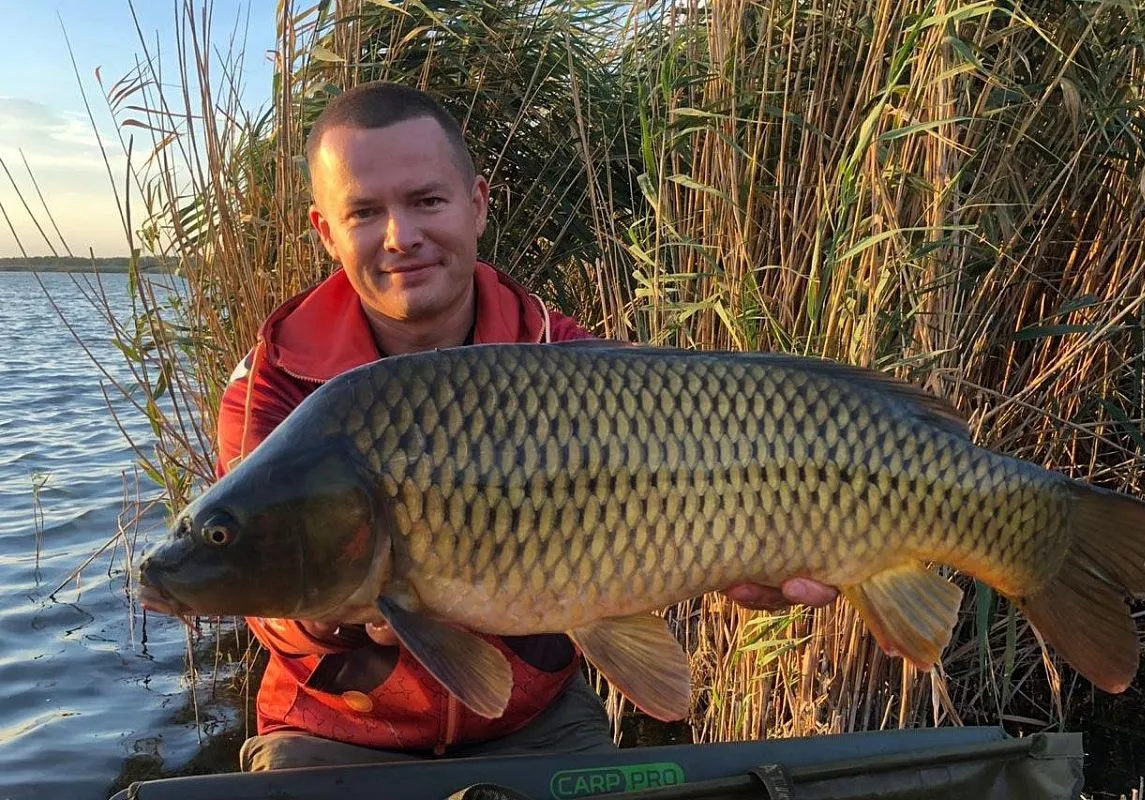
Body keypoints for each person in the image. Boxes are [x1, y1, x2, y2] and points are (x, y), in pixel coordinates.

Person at [212, 80, 839, 772]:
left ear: (476, 205)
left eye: (427, 200)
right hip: (336, 733)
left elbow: (699, 497)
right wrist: (346, 606)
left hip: (533, 719)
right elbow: (259, 589)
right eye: (364, 212)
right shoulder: (274, 385)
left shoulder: (566, 364)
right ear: (326, 232)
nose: (402, 236)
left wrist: (764, 553)